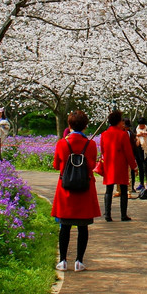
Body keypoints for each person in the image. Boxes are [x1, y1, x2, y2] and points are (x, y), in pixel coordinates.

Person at [52, 110, 100, 271]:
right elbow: (92, 165)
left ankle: (63, 261)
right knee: (83, 227)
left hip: (66, 190)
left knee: (65, 226)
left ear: (69, 125)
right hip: (84, 189)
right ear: (86, 126)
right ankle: (79, 261)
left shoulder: (61, 144)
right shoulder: (91, 145)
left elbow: (55, 165)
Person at [100, 110, 137, 222]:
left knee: (109, 189)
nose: (123, 123)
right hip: (121, 165)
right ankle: (123, 215)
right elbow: (128, 153)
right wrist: (134, 166)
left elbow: (102, 150)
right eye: (121, 121)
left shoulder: (104, 134)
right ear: (117, 122)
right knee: (124, 189)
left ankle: (107, 214)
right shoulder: (123, 134)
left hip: (109, 164)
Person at [134, 117, 147, 196]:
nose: (141, 126)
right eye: (140, 125)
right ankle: (141, 183)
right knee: (140, 167)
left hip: (146, 150)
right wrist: (137, 136)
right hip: (138, 151)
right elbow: (134, 140)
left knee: (146, 167)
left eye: (142, 125)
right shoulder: (135, 130)